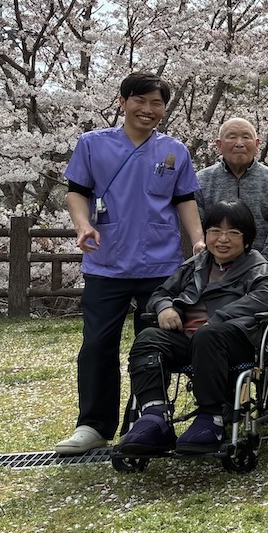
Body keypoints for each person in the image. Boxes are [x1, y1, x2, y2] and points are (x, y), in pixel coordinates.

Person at [57, 72, 205, 455]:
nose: (149, 110)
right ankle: (93, 424)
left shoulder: (174, 150)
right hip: (106, 263)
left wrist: (199, 238)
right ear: (122, 101)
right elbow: (76, 192)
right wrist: (83, 225)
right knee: (97, 345)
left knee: (153, 344)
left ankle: (146, 419)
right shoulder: (93, 144)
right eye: (141, 101)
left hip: (160, 266)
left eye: (157, 103)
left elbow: (184, 199)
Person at [117, 201, 268, 455]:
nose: (222, 239)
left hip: (232, 342)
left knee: (208, 334)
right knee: (148, 337)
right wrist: (164, 307)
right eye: (215, 231)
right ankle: (154, 416)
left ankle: (211, 418)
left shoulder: (257, 267)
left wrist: (220, 317)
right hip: (188, 340)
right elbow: (161, 293)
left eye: (233, 233)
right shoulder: (196, 264)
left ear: (247, 239)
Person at [197, 117, 268, 265]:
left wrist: (262, 265)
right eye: (232, 137)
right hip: (214, 269)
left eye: (246, 137)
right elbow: (198, 227)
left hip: (263, 270)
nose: (239, 143)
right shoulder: (202, 180)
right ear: (219, 145)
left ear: (257, 144)